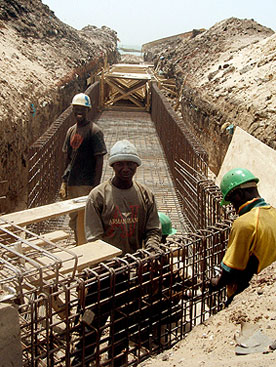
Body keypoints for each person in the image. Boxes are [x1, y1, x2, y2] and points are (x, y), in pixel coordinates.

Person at [72, 140, 161, 366]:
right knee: (91, 325)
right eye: (120, 164)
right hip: (102, 275)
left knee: (122, 327)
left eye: (130, 164)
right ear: (112, 166)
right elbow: (94, 238)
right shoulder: (98, 196)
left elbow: (153, 231)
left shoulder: (146, 195)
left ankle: (117, 361)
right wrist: (114, 266)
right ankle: (82, 360)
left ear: (136, 167)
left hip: (131, 274)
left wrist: (149, 252)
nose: (125, 169)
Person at [210, 168, 276, 306]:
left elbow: (231, 269)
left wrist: (215, 283)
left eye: (232, 202)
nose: (233, 208)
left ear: (239, 195)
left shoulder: (245, 223)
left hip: (248, 295)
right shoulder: (273, 214)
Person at [59, 92, 107, 242]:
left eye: (82, 108)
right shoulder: (71, 131)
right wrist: (64, 181)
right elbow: (68, 158)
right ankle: (78, 241)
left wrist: (95, 186)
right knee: (73, 218)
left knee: (85, 217)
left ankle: (84, 246)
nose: (79, 111)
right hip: (73, 183)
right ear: (72, 109)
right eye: (76, 108)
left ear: (88, 110)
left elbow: (99, 160)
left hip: (86, 183)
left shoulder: (95, 131)